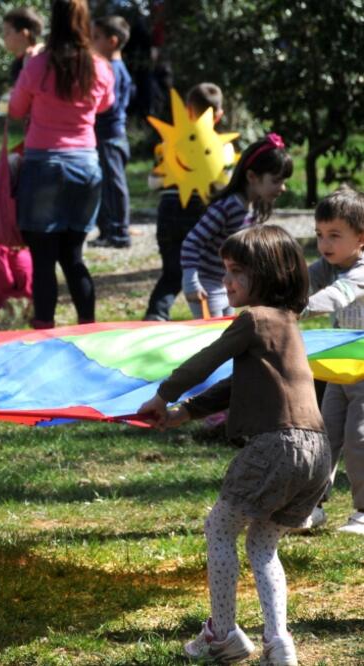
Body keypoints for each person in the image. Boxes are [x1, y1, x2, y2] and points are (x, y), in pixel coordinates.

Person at [139, 225, 328, 666]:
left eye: (237, 271)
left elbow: (207, 360)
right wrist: (187, 412)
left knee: (220, 528)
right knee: (262, 545)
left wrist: (163, 396)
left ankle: (222, 633)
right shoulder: (289, 324)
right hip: (318, 453)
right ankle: (279, 643)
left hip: (277, 446)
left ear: (268, 273)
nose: (226, 281)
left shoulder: (253, 319)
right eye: (225, 270)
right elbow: (236, 384)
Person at [9, 0, 115, 329]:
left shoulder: (38, 64)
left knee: (43, 260)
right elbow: (105, 105)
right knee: (73, 256)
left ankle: (44, 332)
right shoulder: (99, 66)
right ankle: (88, 329)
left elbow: (16, 109)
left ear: (53, 21)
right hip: (85, 165)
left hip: (44, 165)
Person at [301, 187, 364, 535]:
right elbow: (301, 282)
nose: (324, 244)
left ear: (361, 238)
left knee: (359, 439)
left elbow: (336, 296)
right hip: (340, 371)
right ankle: (311, 505)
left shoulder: (360, 271)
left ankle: (363, 511)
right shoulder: (328, 265)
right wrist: (274, 295)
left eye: (335, 235)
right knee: (323, 437)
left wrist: (298, 308)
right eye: (320, 234)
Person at [143, 83, 231, 321]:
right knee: (204, 273)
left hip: (168, 211)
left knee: (172, 272)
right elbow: (223, 185)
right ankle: (210, 321)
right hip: (201, 214)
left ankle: (156, 314)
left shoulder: (171, 143)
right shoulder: (222, 147)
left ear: (187, 110)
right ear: (219, 115)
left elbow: (152, 182)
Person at [180, 134, 291, 318]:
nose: (283, 187)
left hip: (226, 284)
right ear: (252, 176)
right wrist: (191, 283)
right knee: (214, 334)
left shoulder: (254, 208)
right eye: (276, 180)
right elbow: (191, 243)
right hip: (206, 287)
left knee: (227, 332)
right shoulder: (226, 208)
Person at [88, 15, 133, 249]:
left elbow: (110, 106)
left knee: (114, 185)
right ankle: (108, 231)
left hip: (110, 136)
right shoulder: (115, 68)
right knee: (106, 185)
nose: (90, 42)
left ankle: (119, 233)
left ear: (112, 41)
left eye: (96, 37)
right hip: (109, 135)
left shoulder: (112, 70)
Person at [2, 6, 45, 84]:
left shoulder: (35, 60)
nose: (4, 37)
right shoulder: (19, 63)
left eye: (7, 32)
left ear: (23, 33)